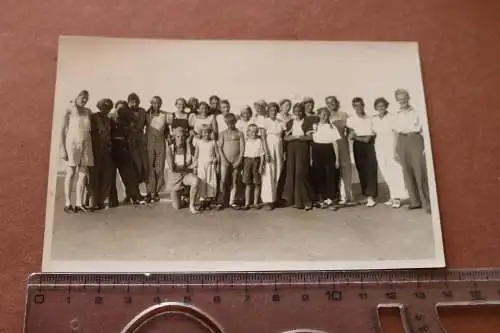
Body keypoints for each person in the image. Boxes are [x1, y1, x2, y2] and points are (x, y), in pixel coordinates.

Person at [392, 89, 431, 213]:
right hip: (402, 142)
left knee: (420, 171)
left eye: (404, 98)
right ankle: (414, 201)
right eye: (399, 98)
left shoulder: (417, 112)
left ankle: (428, 203)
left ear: (408, 98)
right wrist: (394, 150)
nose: (402, 100)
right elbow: (395, 133)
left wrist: (426, 146)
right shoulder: (396, 114)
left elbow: (424, 130)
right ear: (397, 100)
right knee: (407, 172)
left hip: (415, 140)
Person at [60, 90, 94, 213]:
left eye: (87, 98)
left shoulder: (89, 112)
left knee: (83, 174)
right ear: (77, 96)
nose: (84, 100)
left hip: (86, 144)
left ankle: (79, 203)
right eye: (82, 97)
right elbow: (62, 130)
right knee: (70, 173)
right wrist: (62, 148)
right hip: (72, 144)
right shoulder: (69, 109)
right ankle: (68, 203)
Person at [372, 97, 407, 208]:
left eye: (382, 106)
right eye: (378, 106)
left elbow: (396, 133)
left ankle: (398, 198)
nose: (380, 108)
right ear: (376, 108)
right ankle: (392, 196)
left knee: (395, 171)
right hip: (379, 146)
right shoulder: (374, 119)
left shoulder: (392, 117)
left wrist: (395, 149)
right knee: (385, 171)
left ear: (386, 106)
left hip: (390, 145)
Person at [109, 100, 145, 205]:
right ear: (115, 108)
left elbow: (133, 131)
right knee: (111, 176)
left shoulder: (128, 119)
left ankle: (134, 197)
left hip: (123, 147)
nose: (121, 110)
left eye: (124, 108)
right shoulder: (110, 117)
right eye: (119, 108)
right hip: (111, 148)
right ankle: (113, 200)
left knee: (129, 174)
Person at [282, 103, 316, 210]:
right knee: (291, 173)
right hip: (291, 149)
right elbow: (286, 138)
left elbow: (310, 137)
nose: (298, 113)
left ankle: (305, 200)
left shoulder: (308, 121)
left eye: (300, 111)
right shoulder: (290, 122)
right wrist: (297, 137)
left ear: (303, 111)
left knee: (300, 173)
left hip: (302, 149)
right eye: (296, 111)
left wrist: (297, 137)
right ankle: (292, 200)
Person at [346, 97, 378, 207]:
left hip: (370, 145)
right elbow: (351, 135)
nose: (358, 107)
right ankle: (366, 194)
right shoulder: (351, 119)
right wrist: (361, 139)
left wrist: (368, 138)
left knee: (371, 169)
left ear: (363, 105)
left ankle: (371, 195)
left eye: (360, 105)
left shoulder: (370, 118)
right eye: (355, 106)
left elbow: (374, 132)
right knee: (362, 169)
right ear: (353, 107)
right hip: (359, 145)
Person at [165, 127, 200, 214]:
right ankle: (182, 197)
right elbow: (173, 168)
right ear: (174, 137)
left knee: (195, 180)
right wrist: (186, 166)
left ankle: (191, 206)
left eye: (182, 137)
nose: (180, 139)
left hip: (184, 175)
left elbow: (192, 161)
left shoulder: (187, 146)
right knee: (177, 207)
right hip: (174, 177)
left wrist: (189, 142)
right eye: (178, 137)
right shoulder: (170, 148)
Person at [326, 95, 354, 205]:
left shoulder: (343, 115)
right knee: (333, 170)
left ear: (337, 102)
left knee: (345, 169)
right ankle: (334, 195)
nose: (331, 104)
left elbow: (351, 130)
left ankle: (346, 195)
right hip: (329, 145)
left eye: (333, 102)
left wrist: (349, 137)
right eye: (328, 103)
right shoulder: (326, 116)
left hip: (342, 144)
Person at [311, 107, 341, 209]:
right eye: (322, 114)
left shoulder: (332, 127)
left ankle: (330, 199)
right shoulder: (314, 126)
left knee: (330, 175)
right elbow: (312, 143)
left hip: (329, 151)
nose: (324, 117)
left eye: (326, 115)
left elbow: (335, 143)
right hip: (317, 151)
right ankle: (321, 199)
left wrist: (337, 159)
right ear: (318, 115)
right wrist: (311, 157)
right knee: (318, 175)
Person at [89, 98, 114, 210]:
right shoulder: (93, 117)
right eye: (104, 106)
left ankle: (102, 201)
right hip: (95, 149)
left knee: (105, 175)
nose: (106, 108)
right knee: (94, 176)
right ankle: (91, 201)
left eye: (108, 107)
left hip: (106, 150)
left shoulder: (108, 119)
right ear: (99, 106)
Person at [217, 113, 245, 210]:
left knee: (234, 181)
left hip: (235, 161)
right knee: (223, 180)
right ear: (225, 122)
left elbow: (242, 149)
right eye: (228, 122)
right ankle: (221, 201)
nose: (230, 124)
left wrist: (239, 160)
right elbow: (220, 148)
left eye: (232, 122)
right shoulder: (223, 133)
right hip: (225, 161)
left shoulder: (239, 133)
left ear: (235, 122)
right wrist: (223, 159)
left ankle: (232, 201)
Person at [145, 96, 170, 203]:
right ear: (151, 103)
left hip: (161, 143)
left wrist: (169, 138)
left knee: (159, 169)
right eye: (154, 103)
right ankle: (149, 192)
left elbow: (167, 130)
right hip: (149, 143)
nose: (156, 105)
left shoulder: (164, 114)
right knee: (150, 168)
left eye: (159, 103)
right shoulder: (146, 114)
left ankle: (156, 192)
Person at [260, 102, 284, 210]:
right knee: (269, 172)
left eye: (275, 110)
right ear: (268, 112)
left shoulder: (280, 122)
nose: (273, 112)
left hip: (278, 147)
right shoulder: (265, 122)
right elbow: (263, 138)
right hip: (269, 146)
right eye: (271, 110)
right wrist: (267, 152)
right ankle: (268, 201)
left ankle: (275, 198)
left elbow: (283, 137)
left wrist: (283, 152)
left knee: (278, 172)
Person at [194, 125, 220, 209]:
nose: (206, 134)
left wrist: (216, 161)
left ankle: (208, 201)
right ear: (201, 133)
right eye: (204, 132)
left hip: (210, 165)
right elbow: (196, 155)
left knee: (210, 181)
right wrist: (195, 166)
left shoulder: (213, 142)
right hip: (201, 165)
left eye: (208, 132)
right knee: (202, 181)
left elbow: (217, 154)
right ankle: (202, 200)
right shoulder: (198, 142)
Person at [127, 93, 149, 192]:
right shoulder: (125, 112)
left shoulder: (143, 111)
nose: (134, 104)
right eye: (132, 102)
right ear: (128, 102)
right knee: (134, 166)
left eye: (136, 101)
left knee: (144, 165)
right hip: (130, 141)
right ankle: (132, 193)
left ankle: (148, 191)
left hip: (141, 140)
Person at [242, 124, 266, 210]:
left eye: (255, 131)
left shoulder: (259, 141)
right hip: (247, 161)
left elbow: (262, 154)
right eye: (251, 131)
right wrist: (242, 167)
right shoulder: (246, 141)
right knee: (248, 183)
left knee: (257, 183)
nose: (253, 133)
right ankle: (247, 203)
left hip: (256, 161)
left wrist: (261, 166)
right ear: (248, 132)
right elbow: (243, 154)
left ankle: (256, 202)